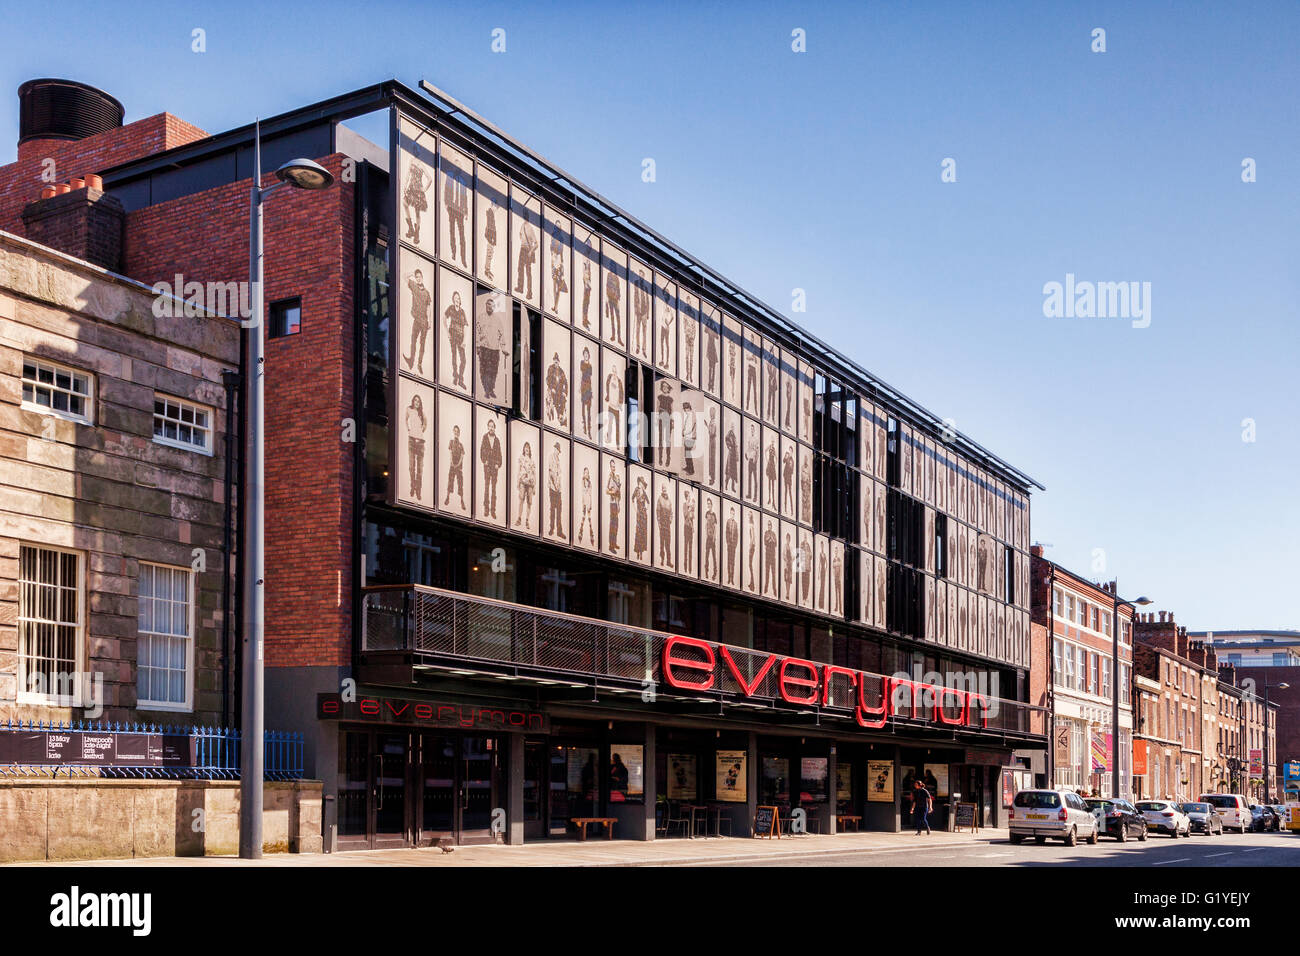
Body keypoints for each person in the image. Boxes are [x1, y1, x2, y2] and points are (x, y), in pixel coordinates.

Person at [404, 268, 431, 376]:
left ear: (423, 278)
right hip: (416, 319)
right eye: (417, 277)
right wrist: (413, 272)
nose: (418, 279)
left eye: (420, 277)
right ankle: (411, 360)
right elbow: (404, 276)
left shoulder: (426, 292)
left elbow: (429, 307)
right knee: (413, 340)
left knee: (422, 343)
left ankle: (419, 363)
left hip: (424, 321)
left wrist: (430, 321)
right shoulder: (414, 286)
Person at [444, 166, 469, 268]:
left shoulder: (463, 182)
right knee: (452, 231)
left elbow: (465, 197)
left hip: (460, 210)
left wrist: (466, 211)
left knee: (462, 235)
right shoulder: (449, 176)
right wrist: (446, 203)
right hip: (451, 207)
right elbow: (446, 189)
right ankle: (453, 253)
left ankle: (463, 258)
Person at [444, 290, 468, 388]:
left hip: (461, 337)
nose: (456, 300)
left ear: (460, 299)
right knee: (454, 356)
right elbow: (444, 318)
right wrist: (447, 332)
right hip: (453, 335)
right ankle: (455, 376)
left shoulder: (462, 312)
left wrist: (465, 340)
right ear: (453, 300)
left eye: (458, 298)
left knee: (463, 360)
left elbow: (466, 326)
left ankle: (461, 379)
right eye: (455, 299)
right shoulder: (450, 308)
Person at [402, 160, 430, 242]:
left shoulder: (421, 165)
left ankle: (417, 232)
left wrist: (424, 189)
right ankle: (411, 228)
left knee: (417, 211)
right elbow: (408, 174)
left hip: (418, 190)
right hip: (411, 188)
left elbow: (430, 179)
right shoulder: (411, 161)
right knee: (405, 203)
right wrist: (405, 185)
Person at [479, 418, 502, 518]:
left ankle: (493, 510)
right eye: (490, 426)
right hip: (487, 466)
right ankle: (486, 509)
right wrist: (484, 461)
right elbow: (481, 451)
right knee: (486, 487)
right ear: (487, 427)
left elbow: (500, 454)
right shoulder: (484, 437)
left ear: (495, 428)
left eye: (493, 426)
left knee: (494, 489)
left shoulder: (497, 440)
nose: (491, 428)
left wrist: (498, 464)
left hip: (494, 466)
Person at [405, 395, 426, 501]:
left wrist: (421, 431)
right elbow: (405, 420)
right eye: (415, 400)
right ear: (413, 401)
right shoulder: (409, 409)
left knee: (420, 469)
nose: (417, 402)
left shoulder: (422, 413)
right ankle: (413, 487)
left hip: (420, 442)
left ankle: (419, 490)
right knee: (411, 466)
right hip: (412, 440)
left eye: (419, 401)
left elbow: (425, 423)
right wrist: (409, 430)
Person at [444, 425, 466, 511]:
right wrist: (452, 463)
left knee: (460, 483)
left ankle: (462, 500)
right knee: (450, 481)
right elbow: (450, 452)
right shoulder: (451, 442)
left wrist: (458, 464)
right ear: (453, 432)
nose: (456, 433)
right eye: (455, 431)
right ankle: (447, 497)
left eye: (458, 431)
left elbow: (462, 455)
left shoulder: (461, 445)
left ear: (459, 433)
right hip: (452, 465)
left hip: (459, 467)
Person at [546, 441, 565, 539]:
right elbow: (551, 472)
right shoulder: (551, 457)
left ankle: (559, 531)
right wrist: (555, 485)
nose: (557, 451)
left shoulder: (558, 460)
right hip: (553, 488)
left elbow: (559, 474)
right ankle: (551, 528)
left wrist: (559, 486)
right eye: (557, 449)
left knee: (559, 510)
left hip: (558, 489)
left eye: (558, 450)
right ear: (555, 449)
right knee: (552, 509)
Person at [515, 220, 538, 299]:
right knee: (520, 269)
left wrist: (531, 251)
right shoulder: (522, 225)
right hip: (522, 249)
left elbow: (536, 244)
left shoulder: (530, 228)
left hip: (528, 251)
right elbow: (520, 234)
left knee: (528, 272)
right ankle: (520, 287)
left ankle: (529, 292)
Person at [515, 441, 536, 530]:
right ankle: (519, 518)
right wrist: (517, 482)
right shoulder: (521, 458)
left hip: (530, 483)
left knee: (529, 502)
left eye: (528, 447)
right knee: (521, 500)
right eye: (525, 447)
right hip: (523, 482)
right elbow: (518, 470)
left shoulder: (532, 461)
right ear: (524, 449)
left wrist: (535, 486)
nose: (526, 448)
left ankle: (527, 520)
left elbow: (534, 474)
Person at [605, 461, 622, 554]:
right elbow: (606, 491)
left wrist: (619, 504)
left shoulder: (616, 477)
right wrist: (613, 492)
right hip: (612, 503)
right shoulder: (610, 477)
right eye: (612, 466)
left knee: (616, 524)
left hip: (616, 503)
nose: (613, 468)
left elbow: (618, 492)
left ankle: (614, 542)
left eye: (614, 466)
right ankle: (611, 545)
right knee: (612, 524)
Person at [656, 484, 674, 569]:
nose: (664, 490)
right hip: (662, 524)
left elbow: (671, 512)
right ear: (661, 490)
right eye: (663, 489)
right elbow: (658, 511)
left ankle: (668, 561)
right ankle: (662, 560)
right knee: (662, 543)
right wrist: (659, 522)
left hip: (667, 525)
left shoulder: (669, 501)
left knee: (668, 544)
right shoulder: (660, 499)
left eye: (665, 489)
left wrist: (670, 520)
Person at [549, 232, 567, 312]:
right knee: (555, 288)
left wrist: (562, 272)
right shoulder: (553, 243)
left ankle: (556, 306)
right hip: (554, 266)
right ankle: (555, 305)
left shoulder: (560, 246)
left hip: (558, 266)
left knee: (558, 289)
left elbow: (561, 258)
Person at [578, 347, 594, 439]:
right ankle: (584, 427)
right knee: (583, 408)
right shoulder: (582, 363)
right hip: (584, 387)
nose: (586, 356)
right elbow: (581, 375)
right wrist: (579, 387)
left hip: (589, 388)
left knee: (589, 410)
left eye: (587, 354)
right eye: (584, 354)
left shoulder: (590, 366)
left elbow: (590, 378)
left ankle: (589, 429)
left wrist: (592, 390)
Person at [578, 466, 594, 545]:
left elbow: (590, 494)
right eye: (585, 472)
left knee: (589, 517)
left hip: (588, 500)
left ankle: (591, 532)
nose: (586, 474)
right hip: (584, 500)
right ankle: (581, 530)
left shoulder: (590, 483)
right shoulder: (583, 481)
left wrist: (590, 503)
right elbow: (583, 492)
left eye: (587, 472)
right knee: (584, 516)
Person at [483, 199, 497, 282]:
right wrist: (491, 238)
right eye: (495, 206)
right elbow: (489, 226)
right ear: (492, 205)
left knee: (490, 254)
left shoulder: (491, 213)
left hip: (491, 237)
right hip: (490, 237)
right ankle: (487, 270)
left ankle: (488, 269)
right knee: (489, 254)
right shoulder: (490, 213)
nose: (496, 208)